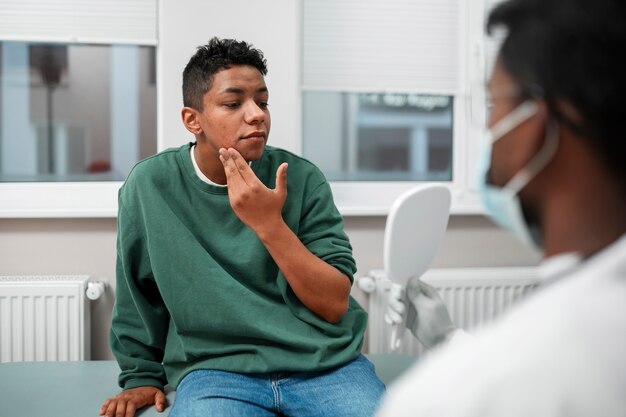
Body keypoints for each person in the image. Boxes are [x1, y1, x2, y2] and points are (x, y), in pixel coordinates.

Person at [100, 37, 384, 417]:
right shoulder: (151, 185)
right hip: (216, 371)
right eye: (234, 103)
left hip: (324, 365)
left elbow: (333, 304)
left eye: (262, 102)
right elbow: (138, 294)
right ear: (192, 119)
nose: (257, 115)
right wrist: (140, 376)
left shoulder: (300, 177)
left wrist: (269, 224)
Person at [378, 0, 626, 415]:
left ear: (536, 123)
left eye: (493, 106)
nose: (490, 130)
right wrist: (450, 338)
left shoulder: (444, 398)